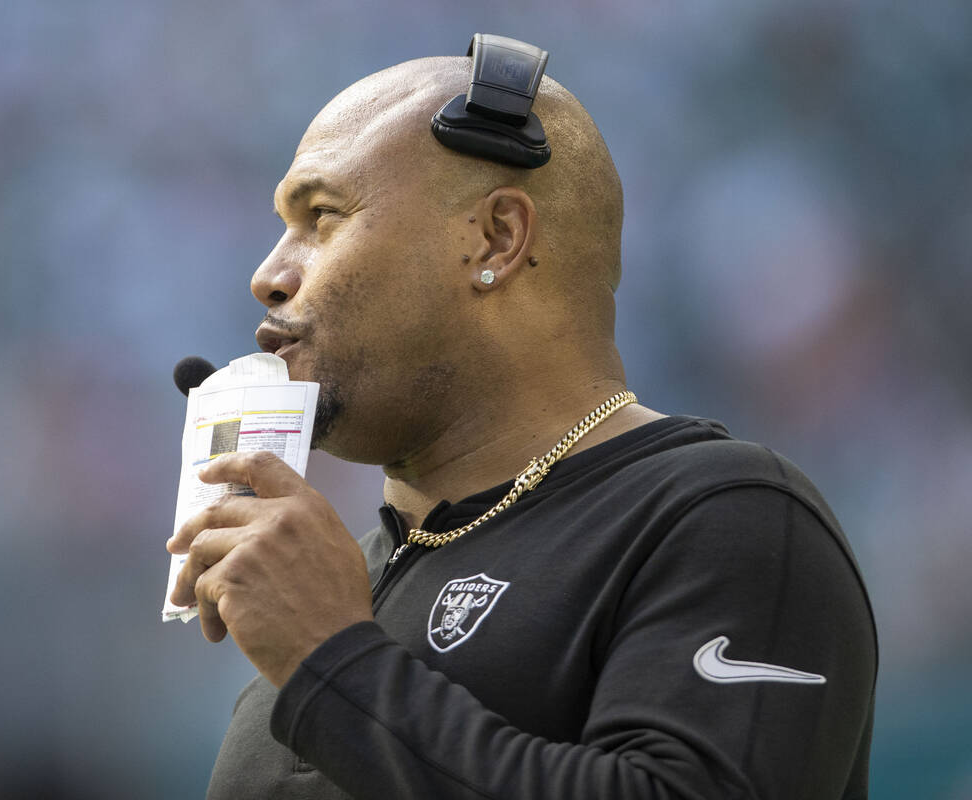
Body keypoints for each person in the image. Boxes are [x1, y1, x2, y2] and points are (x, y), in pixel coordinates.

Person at [166, 49, 877, 800]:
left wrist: (333, 659)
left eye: (321, 216)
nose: (269, 274)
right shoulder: (341, 584)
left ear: (498, 238)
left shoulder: (728, 519)